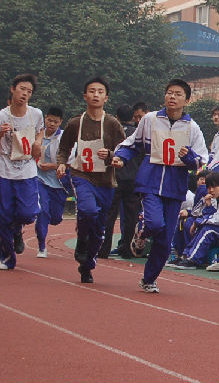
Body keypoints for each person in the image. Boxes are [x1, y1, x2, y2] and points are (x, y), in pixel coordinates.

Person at [112, 79, 209, 293]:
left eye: (178, 94)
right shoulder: (150, 119)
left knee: (165, 241)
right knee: (155, 224)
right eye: (169, 93)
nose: (172, 97)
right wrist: (120, 157)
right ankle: (143, 231)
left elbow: (202, 160)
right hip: (150, 181)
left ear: (187, 100)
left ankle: (149, 279)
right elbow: (133, 144)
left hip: (175, 187)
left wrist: (189, 157)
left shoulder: (192, 127)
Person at [56, 77, 127, 283]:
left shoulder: (112, 124)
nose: (96, 95)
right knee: (87, 210)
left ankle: (87, 265)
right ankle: (81, 240)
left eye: (100, 91)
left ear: (106, 97)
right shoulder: (76, 123)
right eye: (92, 91)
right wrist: (62, 163)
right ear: (85, 96)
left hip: (105, 181)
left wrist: (112, 155)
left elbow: (124, 151)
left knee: (99, 230)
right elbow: (64, 148)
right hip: (82, 176)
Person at [0, 74, 45, 271]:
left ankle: (18, 229)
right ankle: (7, 258)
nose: (25, 94)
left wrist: (38, 143)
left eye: (29, 91)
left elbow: (40, 131)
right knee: (4, 216)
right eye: (22, 89)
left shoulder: (36, 114)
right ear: (13, 89)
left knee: (27, 214)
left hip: (27, 168)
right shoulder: (2, 116)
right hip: (5, 169)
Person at [169, 172, 219, 271]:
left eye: (214, 187)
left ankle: (193, 260)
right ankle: (185, 256)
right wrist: (208, 205)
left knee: (208, 230)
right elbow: (203, 215)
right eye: (209, 187)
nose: (211, 190)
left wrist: (197, 222)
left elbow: (218, 220)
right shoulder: (214, 199)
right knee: (200, 226)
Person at [99, 103, 143, 259]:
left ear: (117, 117)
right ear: (133, 117)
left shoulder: (112, 132)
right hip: (133, 179)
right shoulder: (137, 134)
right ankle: (127, 248)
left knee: (109, 214)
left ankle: (103, 248)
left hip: (114, 178)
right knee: (131, 216)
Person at [34, 107, 68, 258]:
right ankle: (42, 246)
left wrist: (53, 166)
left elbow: (69, 162)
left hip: (58, 183)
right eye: (49, 120)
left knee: (55, 218)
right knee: (43, 211)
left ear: (60, 122)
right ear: (45, 118)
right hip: (39, 179)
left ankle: (50, 219)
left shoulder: (63, 138)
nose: (52, 124)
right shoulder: (38, 135)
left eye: (55, 121)